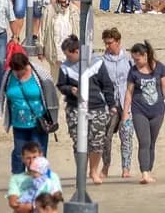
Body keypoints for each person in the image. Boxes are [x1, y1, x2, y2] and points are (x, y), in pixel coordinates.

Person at [57, 35, 115, 184]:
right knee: (79, 142)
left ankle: (93, 171)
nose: (66, 58)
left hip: (97, 107)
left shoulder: (97, 63)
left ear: (77, 51)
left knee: (96, 142)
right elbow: (61, 85)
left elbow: (107, 86)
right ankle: (81, 172)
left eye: (68, 55)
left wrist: (112, 105)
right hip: (75, 108)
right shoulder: (65, 67)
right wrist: (70, 89)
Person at [0, 52, 59, 173]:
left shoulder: (39, 73)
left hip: (38, 123)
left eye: (20, 70)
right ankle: (19, 182)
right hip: (18, 123)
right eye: (16, 71)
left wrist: (53, 117)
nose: (18, 73)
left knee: (37, 155)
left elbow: (51, 95)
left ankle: (39, 184)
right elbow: (3, 93)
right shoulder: (9, 74)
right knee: (18, 154)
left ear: (26, 65)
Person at [125, 41, 165, 185]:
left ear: (145, 55)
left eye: (137, 59)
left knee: (151, 143)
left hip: (157, 111)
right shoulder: (133, 71)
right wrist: (125, 114)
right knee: (144, 141)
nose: (135, 62)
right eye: (133, 59)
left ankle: (149, 169)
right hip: (139, 110)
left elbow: (164, 88)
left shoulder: (159, 67)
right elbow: (129, 93)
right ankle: (145, 173)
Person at [100, 27, 134, 178]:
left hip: (126, 101)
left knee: (126, 134)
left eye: (110, 43)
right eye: (105, 43)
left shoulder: (128, 58)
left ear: (118, 41)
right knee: (106, 136)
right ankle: (106, 165)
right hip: (109, 103)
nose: (107, 46)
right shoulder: (101, 60)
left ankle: (126, 167)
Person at [39, 0, 79, 70]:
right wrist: (40, 50)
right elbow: (42, 31)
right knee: (56, 79)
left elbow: (79, 31)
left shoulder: (74, 10)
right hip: (55, 51)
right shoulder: (49, 10)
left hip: (71, 51)